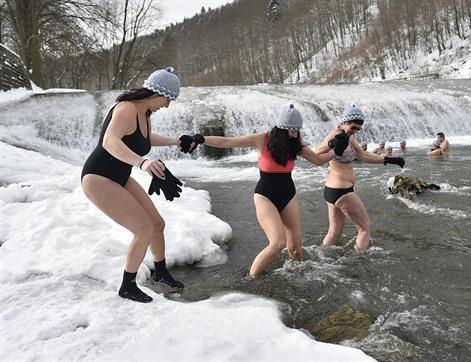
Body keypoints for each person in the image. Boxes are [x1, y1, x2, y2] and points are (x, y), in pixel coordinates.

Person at [81, 67, 199, 303]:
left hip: (119, 176)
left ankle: (161, 274)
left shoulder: (143, 114)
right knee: (143, 230)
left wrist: (177, 141)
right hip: (98, 178)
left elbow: (145, 139)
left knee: (157, 224)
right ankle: (127, 286)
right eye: (168, 99)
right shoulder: (126, 108)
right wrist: (142, 163)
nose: (167, 105)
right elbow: (109, 141)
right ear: (156, 92)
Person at [193, 104, 348, 277]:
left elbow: (318, 160)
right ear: (281, 129)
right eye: (291, 130)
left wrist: (336, 151)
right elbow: (227, 141)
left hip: (288, 195)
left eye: (297, 130)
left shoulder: (296, 143)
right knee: (278, 242)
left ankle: (296, 277)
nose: (294, 134)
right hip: (265, 196)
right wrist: (201, 139)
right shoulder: (261, 139)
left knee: (296, 248)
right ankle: (251, 278)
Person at [315, 105, 405, 251]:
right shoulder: (335, 134)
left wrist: (389, 160)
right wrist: (332, 144)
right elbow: (316, 154)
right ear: (344, 122)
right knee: (364, 228)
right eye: (353, 127)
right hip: (342, 191)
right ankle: (360, 260)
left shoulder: (349, 138)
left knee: (334, 233)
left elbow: (364, 156)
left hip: (333, 190)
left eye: (358, 129)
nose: (355, 131)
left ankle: (320, 258)